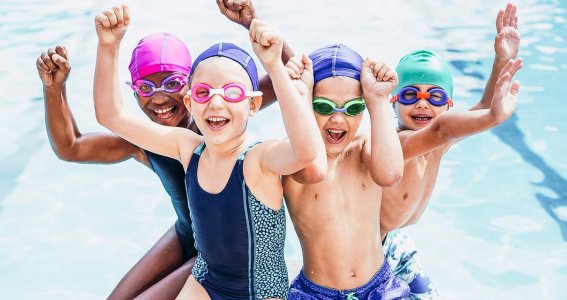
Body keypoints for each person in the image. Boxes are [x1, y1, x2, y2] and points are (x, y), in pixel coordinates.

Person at [36, 3, 294, 299]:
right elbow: (72, 147)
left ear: (191, 89)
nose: (159, 98)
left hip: (223, 254)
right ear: (133, 92)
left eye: (172, 83)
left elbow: (293, 78)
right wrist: (54, 90)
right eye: (145, 88)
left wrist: (252, 23)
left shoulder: (216, 126)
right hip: (187, 235)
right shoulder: (145, 141)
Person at [93, 5, 324, 300]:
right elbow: (110, 115)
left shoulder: (258, 159)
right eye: (203, 93)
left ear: (253, 105)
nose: (215, 103)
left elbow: (305, 151)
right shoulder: (188, 148)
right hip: (205, 279)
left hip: (258, 292)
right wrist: (108, 45)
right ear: (190, 103)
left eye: (232, 93)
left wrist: (276, 68)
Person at [380, 2, 522, 237]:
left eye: (435, 97)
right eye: (409, 95)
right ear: (393, 102)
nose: (422, 103)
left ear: (449, 105)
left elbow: (483, 107)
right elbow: (441, 130)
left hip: (397, 240)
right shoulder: (396, 146)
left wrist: (502, 60)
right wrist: (493, 117)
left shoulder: (437, 146)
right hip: (372, 248)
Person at [283, 44, 410, 299]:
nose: (338, 119)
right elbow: (314, 170)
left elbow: (391, 174)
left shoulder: (364, 148)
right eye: (323, 106)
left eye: (352, 108)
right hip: (315, 293)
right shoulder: (293, 157)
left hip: (379, 286)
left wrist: (378, 100)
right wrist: (299, 98)